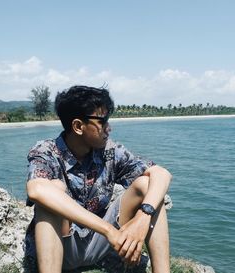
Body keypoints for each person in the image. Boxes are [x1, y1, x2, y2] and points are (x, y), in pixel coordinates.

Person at [24, 85, 172, 273]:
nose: (108, 128)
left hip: (98, 245)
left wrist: (143, 217)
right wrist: (108, 230)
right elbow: (36, 190)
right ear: (78, 126)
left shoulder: (110, 152)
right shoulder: (46, 152)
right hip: (61, 247)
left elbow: (162, 174)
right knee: (52, 190)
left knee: (147, 184)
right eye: (102, 122)